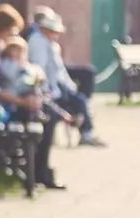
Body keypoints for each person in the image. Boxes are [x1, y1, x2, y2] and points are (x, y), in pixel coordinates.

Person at [0, 4, 61, 188]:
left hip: (5, 100)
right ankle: (37, 172)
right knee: (39, 115)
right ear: (2, 28)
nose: (13, 34)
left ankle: (39, 170)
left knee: (46, 112)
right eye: (12, 29)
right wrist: (22, 101)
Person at [27, 8, 103, 146]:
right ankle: (86, 134)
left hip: (57, 86)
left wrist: (70, 87)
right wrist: (45, 91)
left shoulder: (51, 44)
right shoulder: (37, 42)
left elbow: (60, 71)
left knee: (80, 98)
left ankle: (85, 131)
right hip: (49, 90)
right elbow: (39, 68)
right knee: (79, 101)